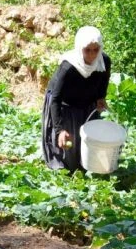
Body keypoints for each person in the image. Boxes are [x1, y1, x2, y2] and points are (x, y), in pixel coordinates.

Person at [42, 26, 110, 171]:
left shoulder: (103, 62)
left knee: (88, 142)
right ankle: (62, 169)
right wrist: (60, 129)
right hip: (65, 105)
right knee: (67, 153)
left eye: (95, 50)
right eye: (87, 50)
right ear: (80, 48)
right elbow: (55, 98)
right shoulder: (68, 67)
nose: (92, 55)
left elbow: (104, 81)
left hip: (87, 103)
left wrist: (100, 97)